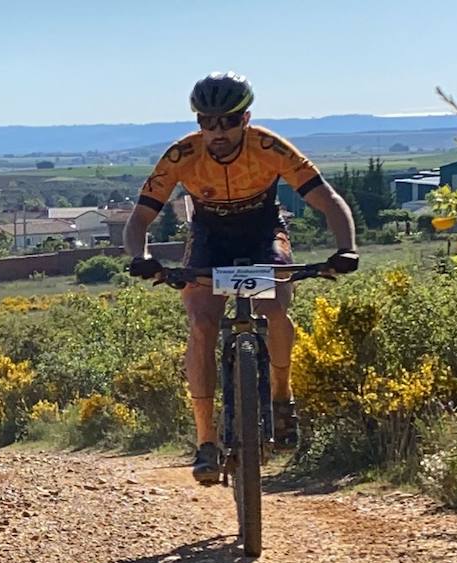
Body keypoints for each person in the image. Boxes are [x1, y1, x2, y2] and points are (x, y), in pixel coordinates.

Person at [123, 72, 358, 485]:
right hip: (210, 238)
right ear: (198, 122)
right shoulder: (182, 155)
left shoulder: (269, 147)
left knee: (274, 311)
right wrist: (140, 256)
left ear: (245, 118)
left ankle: (281, 396)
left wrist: (346, 248)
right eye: (206, 122)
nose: (217, 131)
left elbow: (327, 199)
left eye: (227, 121)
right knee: (201, 323)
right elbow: (141, 217)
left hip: (263, 233)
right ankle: (206, 441)